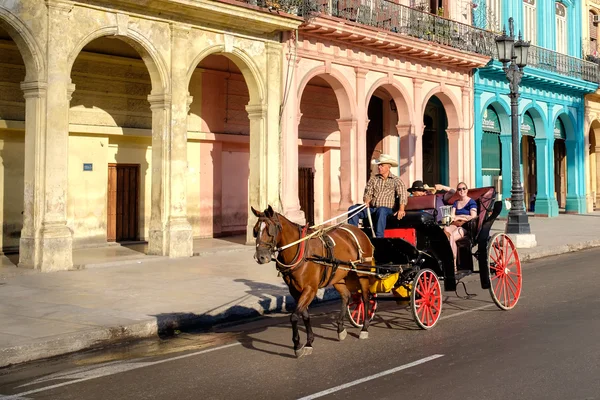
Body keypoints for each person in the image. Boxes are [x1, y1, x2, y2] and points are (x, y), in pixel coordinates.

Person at [347, 154, 408, 238]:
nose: (379, 167)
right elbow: (367, 193)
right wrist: (366, 201)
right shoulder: (373, 179)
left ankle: (379, 238)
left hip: (387, 210)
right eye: (379, 165)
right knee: (353, 209)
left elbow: (403, 195)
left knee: (381, 210)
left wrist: (401, 209)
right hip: (372, 208)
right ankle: (353, 235)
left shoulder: (396, 181)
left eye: (382, 165)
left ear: (389, 166)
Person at [443, 182, 477, 270]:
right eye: (459, 189)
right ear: (457, 191)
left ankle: (453, 263)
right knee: (446, 229)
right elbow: (452, 216)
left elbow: (473, 216)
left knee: (451, 237)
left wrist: (460, 217)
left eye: (463, 188)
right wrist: (460, 217)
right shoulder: (456, 202)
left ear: (467, 190)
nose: (461, 191)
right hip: (455, 224)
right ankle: (449, 260)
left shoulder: (471, 202)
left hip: (465, 226)